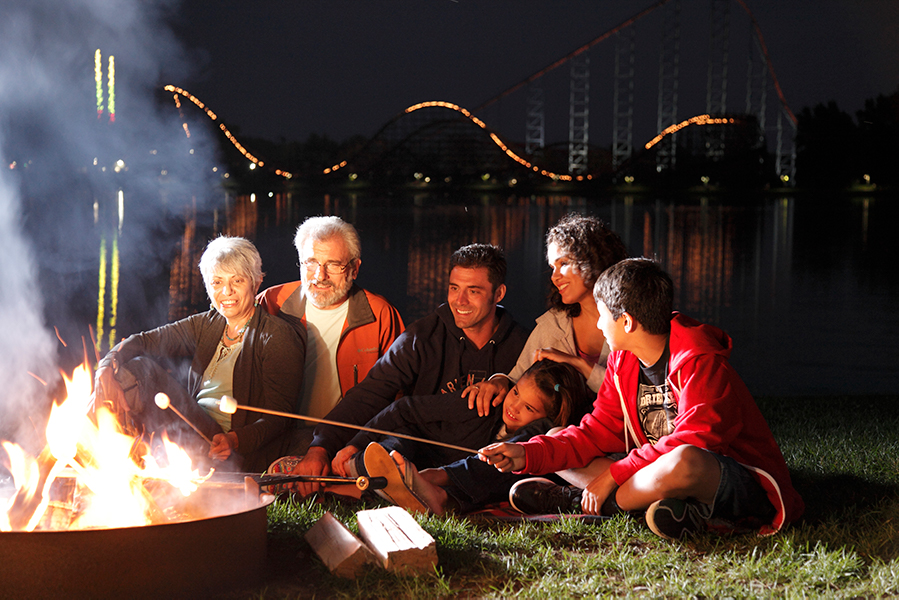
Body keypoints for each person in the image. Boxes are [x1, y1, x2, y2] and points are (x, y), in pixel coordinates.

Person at [480, 258, 805, 540]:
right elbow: (597, 431)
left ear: (627, 322)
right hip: (654, 478)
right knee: (553, 437)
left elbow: (695, 441)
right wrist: (526, 453)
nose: (597, 324)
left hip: (730, 483)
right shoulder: (624, 362)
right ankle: (667, 510)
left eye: (602, 315)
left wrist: (613, 476)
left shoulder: (699, 360)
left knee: (683, 461)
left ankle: (584, 503)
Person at [276, 243, 530, 497]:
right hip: (414, 452)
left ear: (498, 293)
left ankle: (371, 487)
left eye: (473, 291)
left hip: (480, 462)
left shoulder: (521, 344)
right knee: (390, 446)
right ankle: (345, 481)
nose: (459, 301)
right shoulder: (423, 336)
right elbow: (370, 393)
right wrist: (321, 447)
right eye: (454, 288)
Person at [92, 236, 304, 473]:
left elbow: (279, 418)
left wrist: (234, 440)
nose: (227, 291)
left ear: (256, 283)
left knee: (144, 371)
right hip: (191, 429)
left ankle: (92, 457)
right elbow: (144, 341)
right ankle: (97, 455)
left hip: (230, 447)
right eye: (216, 282)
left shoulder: (276, 336)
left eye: (237, 280)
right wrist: (104, 369)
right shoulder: (208, 324)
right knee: (123, 370)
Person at [351, 359, 590, 515]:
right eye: (515, 392)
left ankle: (433, 492)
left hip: (484, 479)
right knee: (403, 433)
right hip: (443, 467)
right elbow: (407, 409)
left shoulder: (542, 432)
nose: (514, 406)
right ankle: (388, 469)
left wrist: (437, 475)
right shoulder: (488, 406)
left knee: (507, 457)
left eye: (529, 408)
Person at [257, 216, 404, 453]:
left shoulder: (381, 315)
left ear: (355, 269)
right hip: (277, 438)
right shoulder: (271, 303)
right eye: (311, 263)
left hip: (346, 443)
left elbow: (399, 395)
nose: (320, 276)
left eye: (334, 264)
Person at [464, 213, 628, 416]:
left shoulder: (629, 323)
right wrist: (498, 381)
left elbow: (631, 394)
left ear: (594, 260)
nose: (554, 276)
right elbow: (518, 377)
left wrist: (578, 364)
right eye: (552, 267)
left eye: (564, 264)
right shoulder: (554, 324)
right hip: (558, 438)